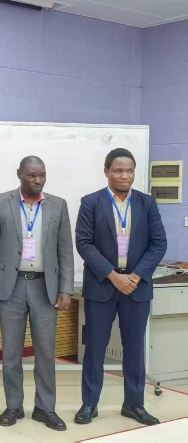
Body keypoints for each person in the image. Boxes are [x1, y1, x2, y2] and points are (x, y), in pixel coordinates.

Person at [0, 156, 74, 431]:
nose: (37, 180)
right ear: (19, 174)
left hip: (46, 287)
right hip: (11, 286)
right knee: (11, 352)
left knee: (46, 351)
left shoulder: (58, 204)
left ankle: (45, 408)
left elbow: (65, 250)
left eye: (42, 175)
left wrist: (66, 288)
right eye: (32, 175)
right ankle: (13, 405)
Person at [74, 148, 167, 427]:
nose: (124, 176)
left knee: (135, 348)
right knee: (95, 348)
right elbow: (84, 243)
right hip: (102, 286)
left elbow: (158, 243)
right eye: (118, 171)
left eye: (129, 171)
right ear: (106, 171)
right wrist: (113, 276)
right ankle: (89, 404)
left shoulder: (146, 203)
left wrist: (135, 276)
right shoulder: (91, 202)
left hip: (136, 288)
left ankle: (134, 404)